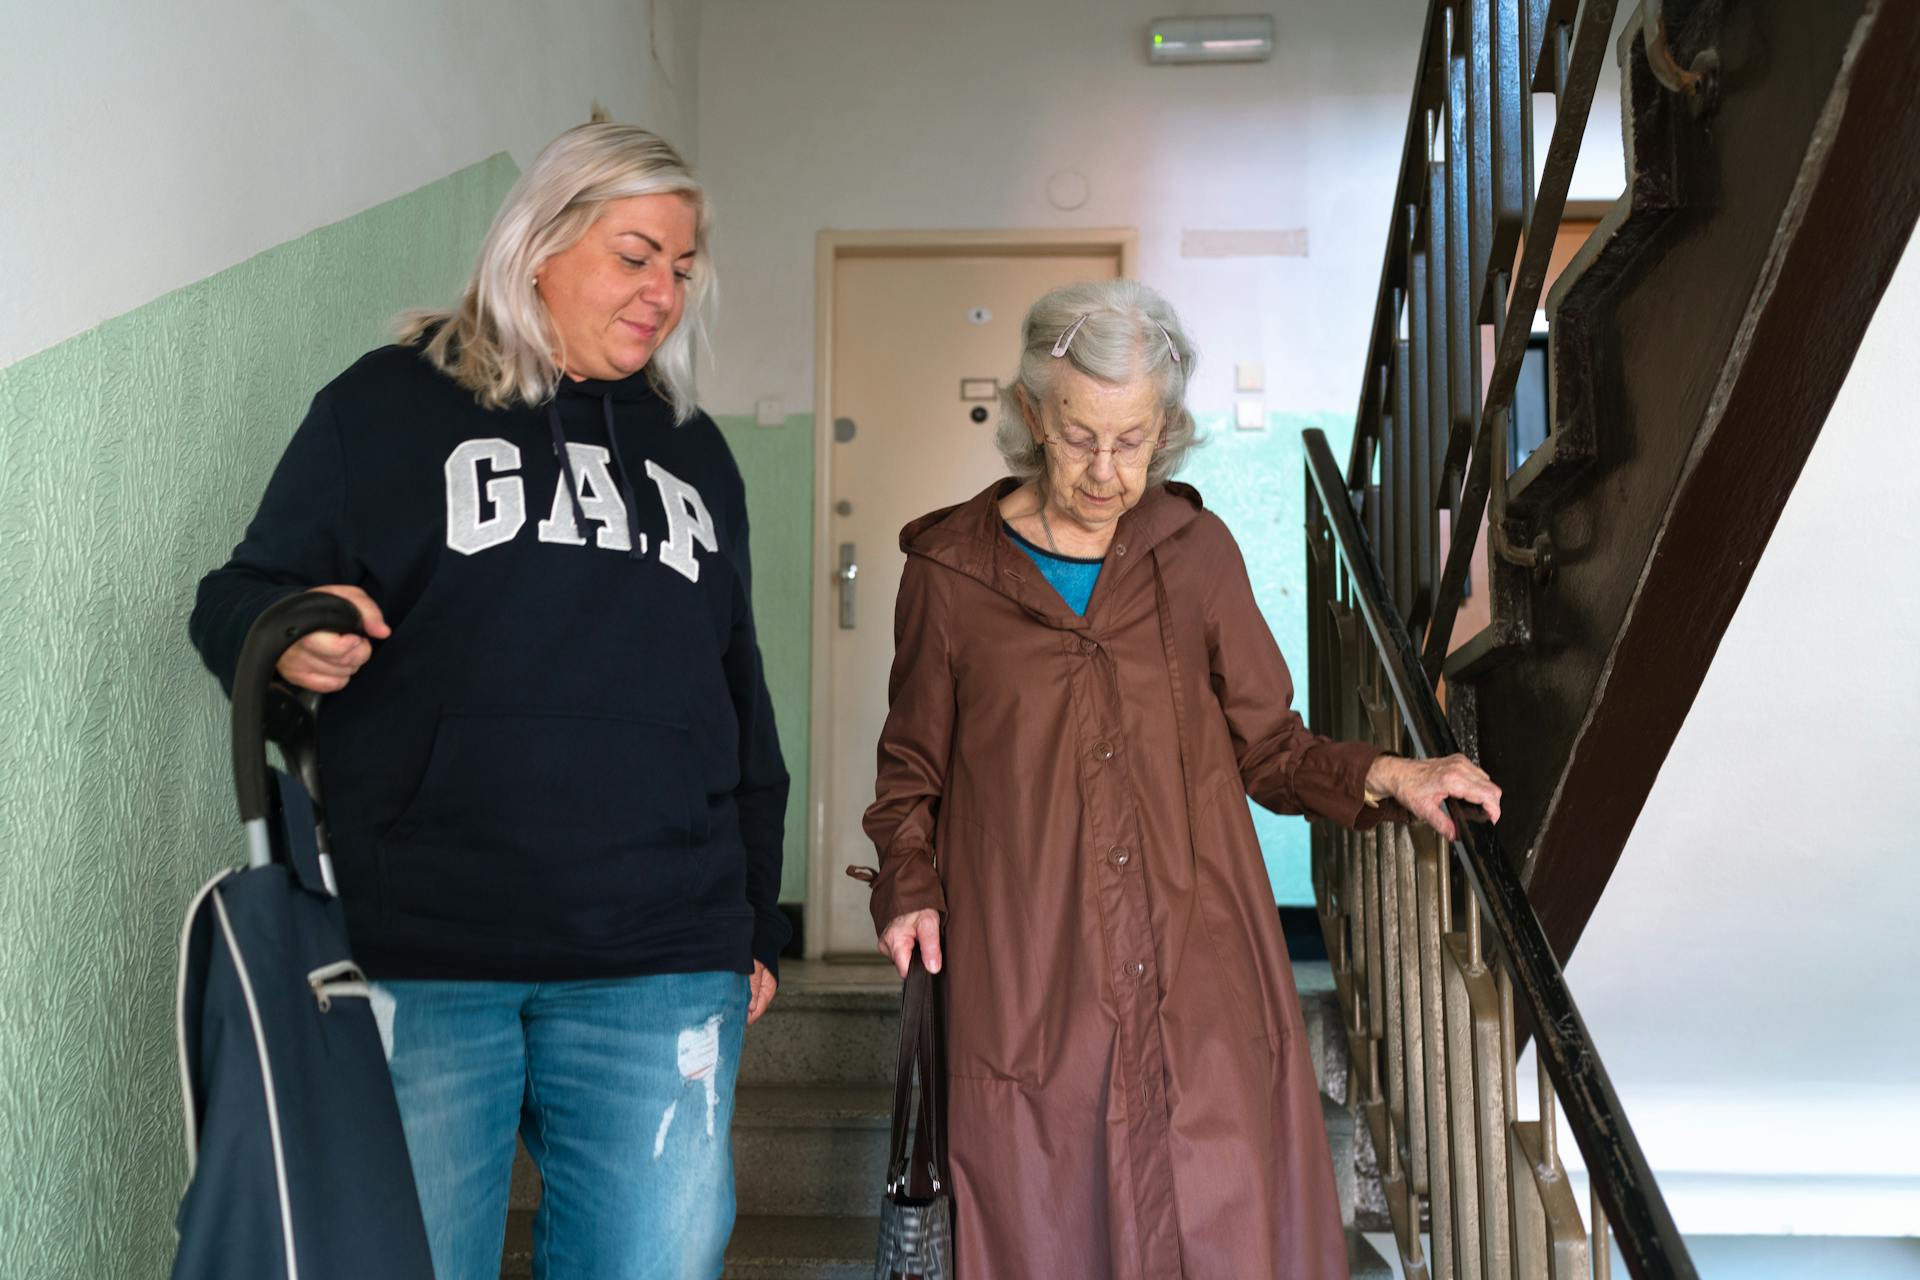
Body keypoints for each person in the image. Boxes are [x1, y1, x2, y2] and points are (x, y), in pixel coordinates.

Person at [189, 121, 787, 1280]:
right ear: (540, 243)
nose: (663, 289)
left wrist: (755, 917)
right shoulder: (385, 407)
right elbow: (242, 592)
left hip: (660, 952)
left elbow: (735, 696)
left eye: (681, 264)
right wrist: (286, 640)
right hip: (426, 943)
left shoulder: (694, 452)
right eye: (634, 254)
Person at [860, 279, 1502, 1278]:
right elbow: (910, 772)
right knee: (1042, 1220)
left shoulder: (1195, 554)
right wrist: (908, 883)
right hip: (1031, 974)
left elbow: (1272, 746)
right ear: (1032, 415)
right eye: (1081, 438)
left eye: (1136, 440)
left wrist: (1389, 773)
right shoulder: (948, 572)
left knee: (1220, 1223)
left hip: (1197, 967)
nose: (1109, 471)